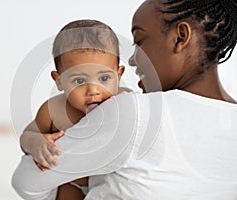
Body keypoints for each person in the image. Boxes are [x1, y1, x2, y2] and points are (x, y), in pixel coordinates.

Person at [12, 0, 237, 199]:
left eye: (139, 41)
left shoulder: (134, 112)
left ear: (180, 37)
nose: (131, 60)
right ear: (59, 80)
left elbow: (25, 182)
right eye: (80, 79)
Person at [19, 19, 130, 199]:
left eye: (104, 79)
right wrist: (35, 142)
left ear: (119, 74)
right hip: (72, 183)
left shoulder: (125, 101)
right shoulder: (52, 111)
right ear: (59, 80)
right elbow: (26, 135)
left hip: (108, 180)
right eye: (79, 81)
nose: (93, 90)